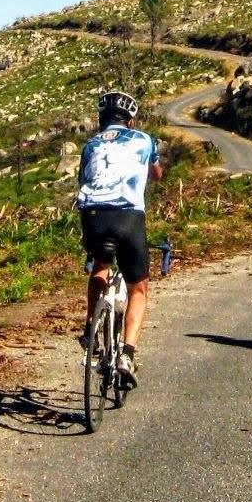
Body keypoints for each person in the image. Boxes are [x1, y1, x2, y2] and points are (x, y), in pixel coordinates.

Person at [76, 89, 163, 387]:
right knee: (138, 288)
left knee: (101, 265)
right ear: (131, 119)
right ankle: (126, 354)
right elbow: (156, 174)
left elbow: (83, 179)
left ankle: (90, 329)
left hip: (93, 217)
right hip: (128, 217)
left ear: (102, 118)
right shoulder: (144, 139)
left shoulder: (90, 145)